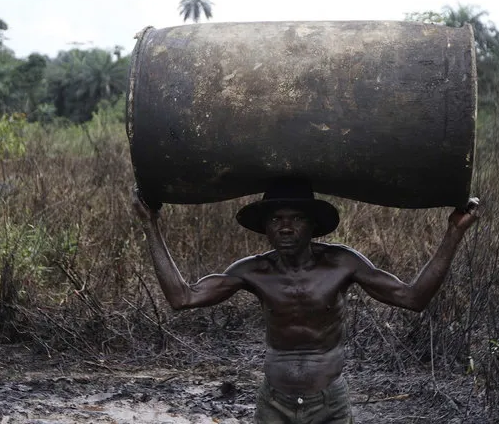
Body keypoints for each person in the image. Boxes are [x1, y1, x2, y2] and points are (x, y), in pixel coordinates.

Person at [132, 178, 479, 424]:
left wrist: (454, 232)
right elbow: (182, 297)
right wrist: (151, 225)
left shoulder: (342, 263)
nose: (285, 227)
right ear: (265, 228)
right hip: (275, 404)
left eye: (296, 218)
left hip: (329, 402)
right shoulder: (254, 271)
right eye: (276, 219)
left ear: (312, 225)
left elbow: (413, 297)